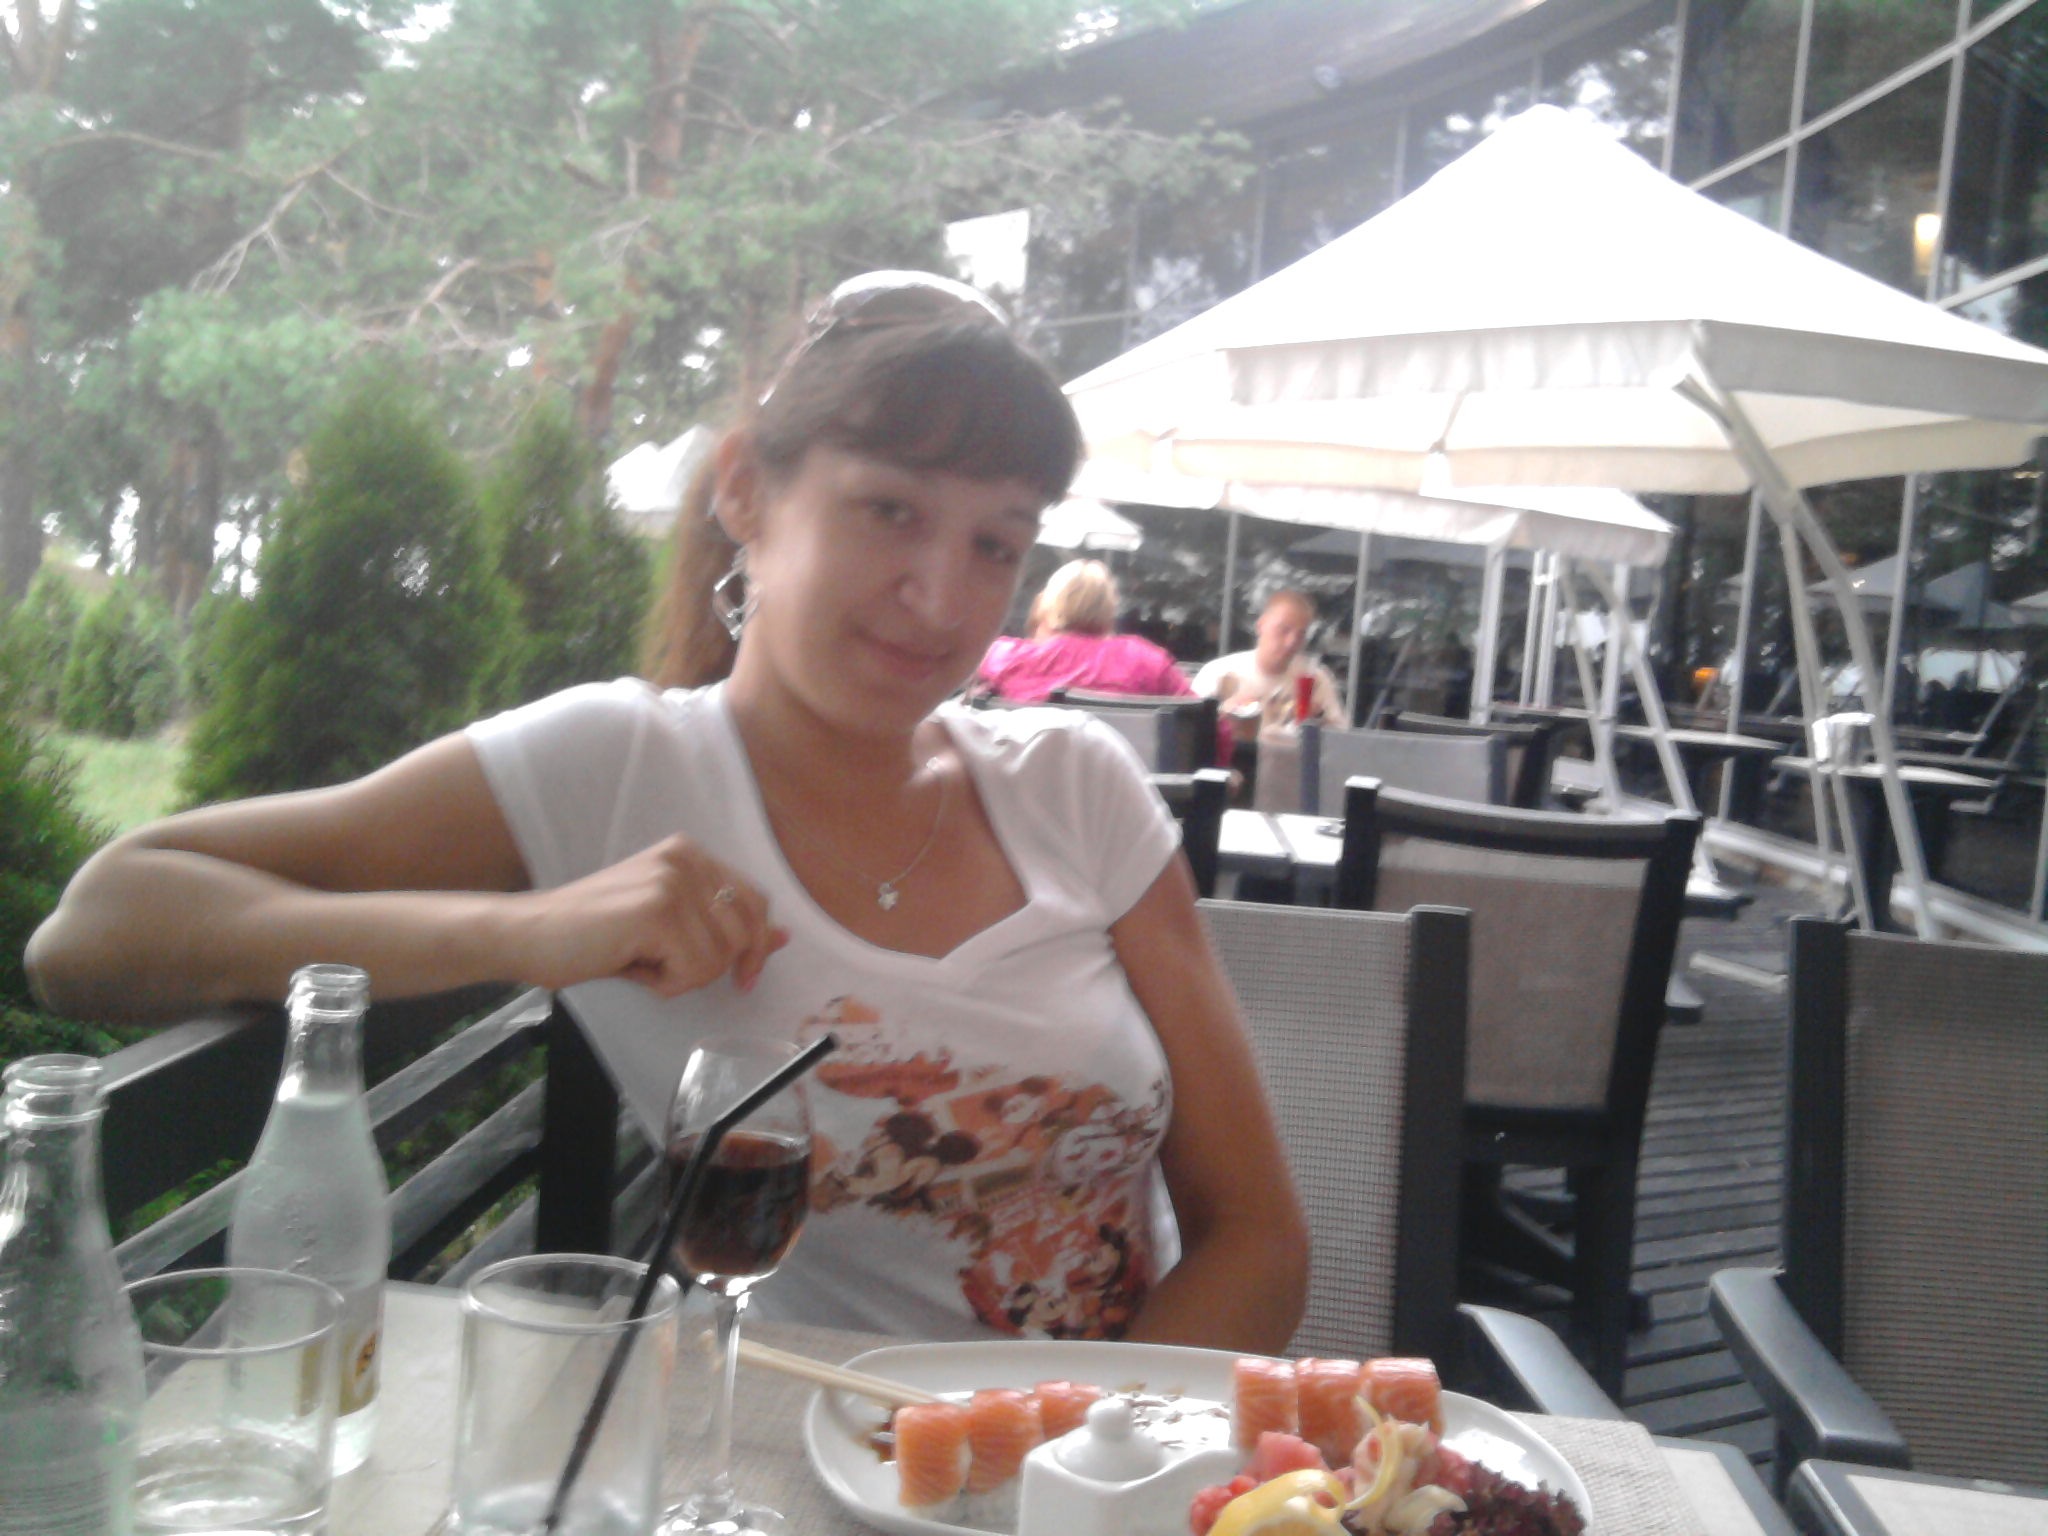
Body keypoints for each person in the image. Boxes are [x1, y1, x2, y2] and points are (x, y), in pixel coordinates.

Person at [27, 270, 1306, 1351]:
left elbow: (1255, 1234)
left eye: (994, 544)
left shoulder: (1075, 783)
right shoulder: (617, 769)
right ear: (744, 488)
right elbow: (98, 926)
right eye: (889, 510)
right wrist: (529, 933)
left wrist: (1061, 1471)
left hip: (1111, 1465)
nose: (938, 593)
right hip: (790, 1461)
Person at [976, 558, 1194, 703]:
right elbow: (1199, 721)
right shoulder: (1146, 661)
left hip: (1031, 762)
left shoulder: (1005, 657)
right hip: (1115, 762)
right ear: (1109, 607)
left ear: (1048, 604)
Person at [1195, 588, 1346, 728]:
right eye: (1283, 630)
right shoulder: (1218, 673)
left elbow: (1341, 736)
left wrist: (1319, 717)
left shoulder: (1315, 679)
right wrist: (1223, 715)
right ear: (1260, 626)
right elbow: (1192, 728)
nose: (1291, 642)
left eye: (1301, 635)